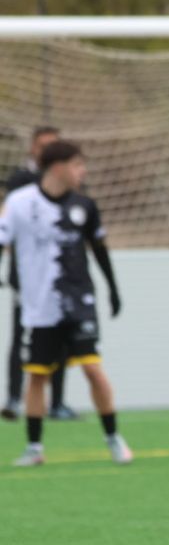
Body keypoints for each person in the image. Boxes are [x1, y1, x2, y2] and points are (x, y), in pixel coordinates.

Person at [0, 140, 129, 466]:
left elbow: (99, 249)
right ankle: (34, 448)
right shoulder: (20, 202)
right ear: (58, 167)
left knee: (92, 368)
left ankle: (114, 438)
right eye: (77, 165)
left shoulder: (84, 205)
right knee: (37, 376)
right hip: (40, 305)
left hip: (79, 300)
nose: (82, 171)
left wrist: (113, 289)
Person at [3, 126, 72, 422]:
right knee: (22, 338)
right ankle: (14, 399)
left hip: (61, 279)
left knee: (61, 340)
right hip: (27, 279)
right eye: (43, 145)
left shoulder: (67, 183)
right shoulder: (20, 181)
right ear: (33, 148)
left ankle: (57, 402)